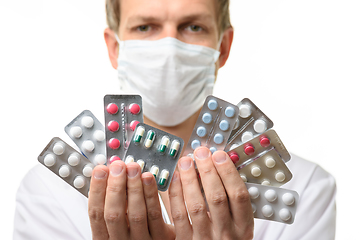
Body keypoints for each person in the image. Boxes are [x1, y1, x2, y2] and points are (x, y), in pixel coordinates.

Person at [13, 0, 336, 239]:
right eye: (145, 27)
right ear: (115, 48)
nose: (169, 47)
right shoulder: (47, 191)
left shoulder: (306, 188)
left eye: (193, 26)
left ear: (222, 47)